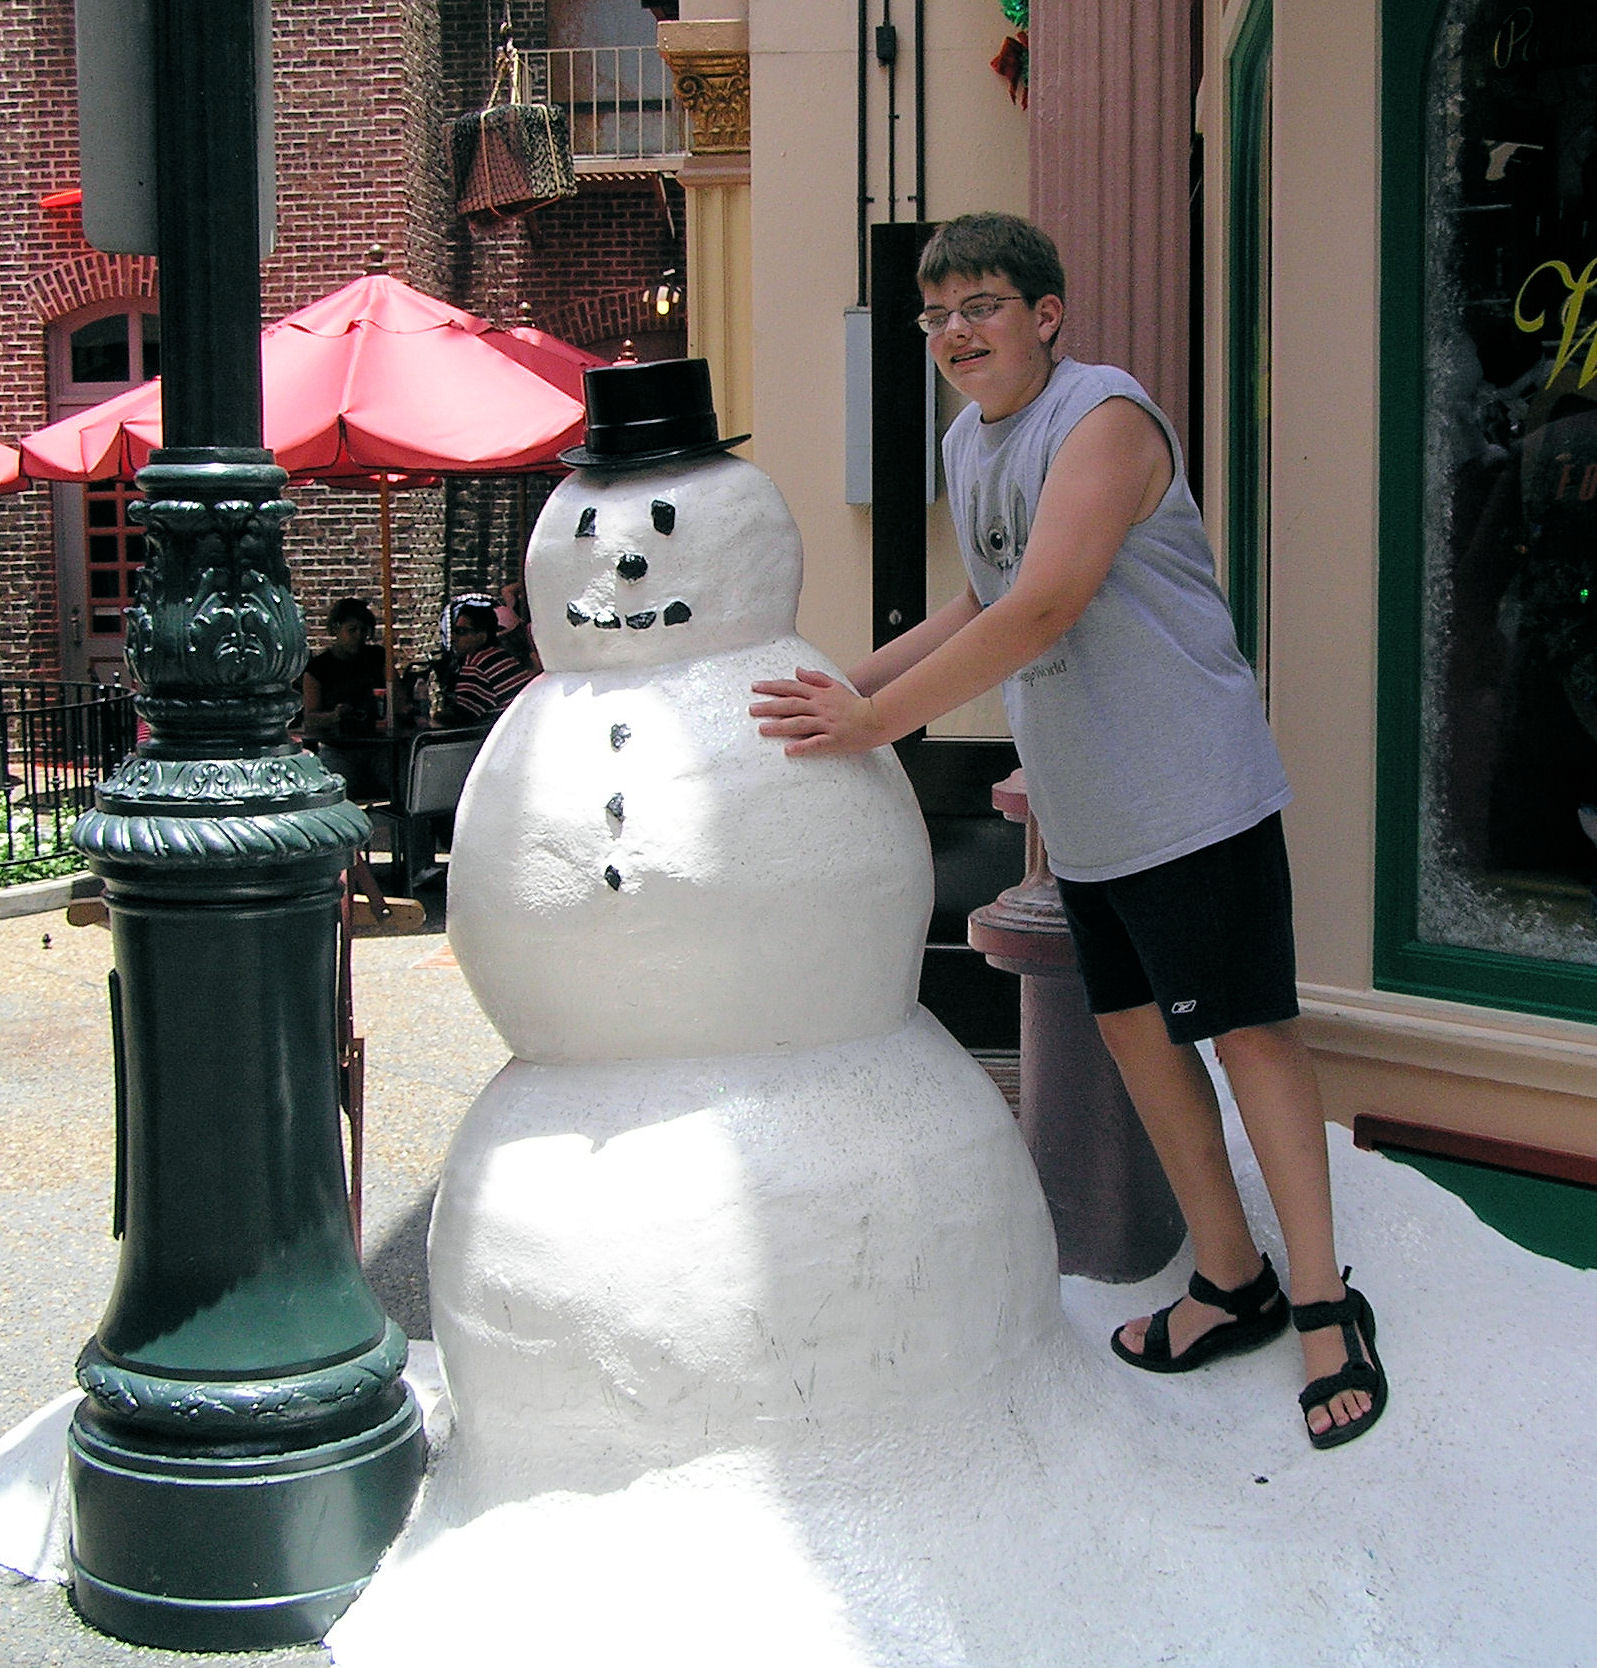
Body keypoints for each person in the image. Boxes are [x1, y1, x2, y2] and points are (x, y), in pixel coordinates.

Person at [750, 212, 1387, 1450]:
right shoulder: (966, 442)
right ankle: (1231, 1282)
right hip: (1092, 817)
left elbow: (1043, 606)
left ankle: (1324, 1306)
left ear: (1045, 314)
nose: (954, 332)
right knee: (1142, 1042)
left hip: (1190, 797)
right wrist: (830, 684)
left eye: (980, 305)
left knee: (1250, 1038)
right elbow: (982, 598)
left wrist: (873, 721)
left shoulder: (1103, 419)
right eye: (935, 315)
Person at [436, 601, 535, 726]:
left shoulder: (476, 666)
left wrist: (432, 718)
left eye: (462, 631)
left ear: (482, 635)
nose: (453, 638)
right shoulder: (501, 655)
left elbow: (462, 716)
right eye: (454, 631)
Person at [301, 598, 387, 739]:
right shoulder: (318, 668)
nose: (359, 636)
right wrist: (334, 716)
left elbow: (397, 696)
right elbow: (310, 719)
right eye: (352, 630)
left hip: (378, 739)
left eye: (363, 630)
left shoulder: (377, 657)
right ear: (336, 629)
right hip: (336, 743)